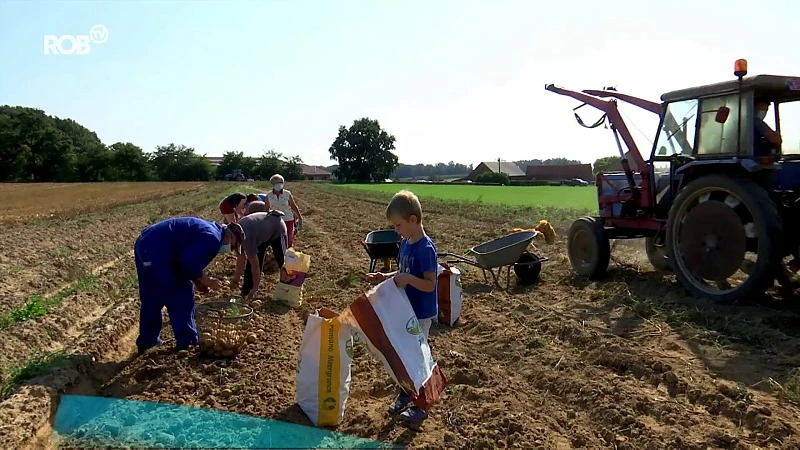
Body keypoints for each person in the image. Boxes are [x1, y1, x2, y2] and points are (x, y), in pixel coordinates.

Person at [366, 190, 438, 427]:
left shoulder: (425, 249)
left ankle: (422, 406)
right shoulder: (406, 243)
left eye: (398, 225)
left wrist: (406, 279)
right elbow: (402, 273)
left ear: (413, 220)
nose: (396, 230)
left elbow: (430, 284)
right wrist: (384, 276)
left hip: (421, 314)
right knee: (403, 356)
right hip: (406, 311)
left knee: (418, 358)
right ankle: (407, 393)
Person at [134, 217, 245, 355]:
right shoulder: (213, 239)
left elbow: (187, 261)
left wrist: (198, 282)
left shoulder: (211, 231)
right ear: (228, 236)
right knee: (180, 294)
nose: (231, 249)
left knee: (152, 295)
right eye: (233, 246)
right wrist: (207, 280)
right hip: (158, 250)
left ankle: (147, 343)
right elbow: (187, 261)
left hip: (145, 243)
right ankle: (188, 342)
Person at [231, 210, 289, 299]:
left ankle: (286, 290)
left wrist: (256, 288)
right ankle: (246, 291)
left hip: (277, 227)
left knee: (282, 261)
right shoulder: (234, 235)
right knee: (252, 261)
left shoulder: (246, 239)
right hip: (260, 233)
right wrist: (236, 278)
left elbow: (255, 265)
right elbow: (241, 259)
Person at [265, 174, 303, 248]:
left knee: (289, 239)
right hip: (275, 221)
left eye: (280, 183)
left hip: (288, 219)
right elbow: (266, 209)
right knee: (277, 240)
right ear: (272, 184)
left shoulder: (287, 194)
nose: (279, 185)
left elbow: (293, 206)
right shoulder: (269, 195)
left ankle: (288, 255)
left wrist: (300, 218)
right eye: (276, 183)